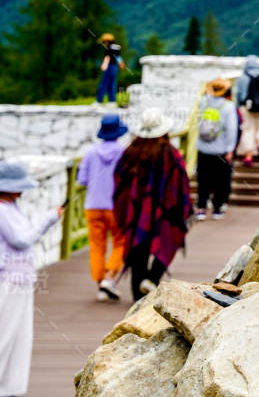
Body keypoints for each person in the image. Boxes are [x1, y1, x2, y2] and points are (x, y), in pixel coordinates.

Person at [0, 160, 63, 397]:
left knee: (19, 334)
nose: (23, 191)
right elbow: (21, 239)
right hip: (9, 279)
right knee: (6, 333)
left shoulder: (10, 207)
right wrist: (49, 218)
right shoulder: (3, 211)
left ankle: (9, 388)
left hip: (20, 278)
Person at [113, 111, 192, 297]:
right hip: (165, 209)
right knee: (170, 238)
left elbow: (119, 182)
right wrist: (182, 206)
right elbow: (180, 182)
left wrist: (124, 208)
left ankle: (137, 292)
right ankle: (152, 277)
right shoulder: (170, 153)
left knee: (138, 247)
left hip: (136, 209)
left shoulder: (130, 152)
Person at [77, 112, 128, 301]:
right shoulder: (123, 152)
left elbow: (82, 179)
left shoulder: (90, 153)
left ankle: (100, 283)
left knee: (96, 244)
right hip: (115, 206)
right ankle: (109, 277)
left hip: (93, 205)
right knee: (121, 241)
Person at [193, 78, 237, 220]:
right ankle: (217, 208)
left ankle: (201, 208)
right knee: (221, 180)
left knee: (203, 178)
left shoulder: (203, 101)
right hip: (221, 149)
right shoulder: (228, 106)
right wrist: (230, 149)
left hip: (203, 147)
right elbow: (231, 129)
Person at [235, 56, 259, 167]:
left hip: (247, 107)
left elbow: (238, 95)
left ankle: (248, 156)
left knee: (248, 130)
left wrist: (239, 107)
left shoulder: (242, 78)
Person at [95, 32, 125, 105]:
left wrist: (104, 65)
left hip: (109, 67)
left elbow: (107, 57)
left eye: (104, 42)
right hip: (114, 67)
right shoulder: (117, 47)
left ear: (107, 41)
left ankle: (99, 101)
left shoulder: (108, 47)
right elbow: (118, 57)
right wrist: (121, 64)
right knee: (112, 84)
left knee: (104, 84)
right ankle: (112, 101)